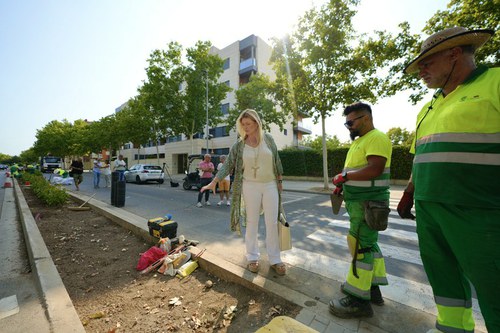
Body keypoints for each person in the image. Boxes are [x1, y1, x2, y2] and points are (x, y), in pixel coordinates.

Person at [397, 27, 499, 333]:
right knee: (442, 275)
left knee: (493, 283)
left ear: (454, 53)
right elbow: (420, 156)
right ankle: (452, 327)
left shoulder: (494, 81)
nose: (421, 72)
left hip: (479, 209)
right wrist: (409, 192)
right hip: (429, 209)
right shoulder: (427, 107)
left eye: (426, 63)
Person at [201, 109, 286, 276]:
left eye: (249, 123)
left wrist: (280, 180)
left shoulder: (268, 139)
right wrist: (214, 182)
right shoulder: (239, 145)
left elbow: (277, 160)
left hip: (270, 185)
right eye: (243, 124)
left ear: (256, 123)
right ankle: (252, 257)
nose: (246, 127)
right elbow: (228, 165)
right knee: (252, 222)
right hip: (249, 186)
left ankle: (275, 259)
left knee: (272, 223)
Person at [329, 102, 391, 319]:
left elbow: (374, 168)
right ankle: (372, 289)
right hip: (360, 204)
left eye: (351, 122)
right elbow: (355, 171)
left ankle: (358, 301)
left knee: (359, 247)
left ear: (366, 118)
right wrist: (342, 184)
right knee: (369, 245)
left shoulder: (377, 137)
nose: (348, 127)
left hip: (369, 204)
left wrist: (344, 177)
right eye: (346, 123)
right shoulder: (360, 142)